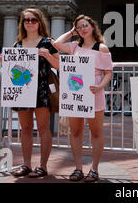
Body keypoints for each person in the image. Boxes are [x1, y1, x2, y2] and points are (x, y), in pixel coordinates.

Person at [52, 14, 112, 182]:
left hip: (94, 95)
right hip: (75, 95)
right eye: (79, 27)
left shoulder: (101, 48)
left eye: (85, 25)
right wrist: (71, 32)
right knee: (76, 132)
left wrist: (100, 87)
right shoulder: (74, 47)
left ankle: (94, 169)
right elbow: (56, 44)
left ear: (92, 26)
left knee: (96, 132)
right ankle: (78, 168)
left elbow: (108, 72)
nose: (82, 29)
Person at [9, 8, 59, 178]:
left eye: (33, 20)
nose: (30, 22)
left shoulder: (47, 43)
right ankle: (26, 164)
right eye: (26, 20)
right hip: (23, 90)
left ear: (39, 22)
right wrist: (5, 61)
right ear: (22, 24)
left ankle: (43, 166)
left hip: (42, 90)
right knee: (26, 129)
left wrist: (47, 55)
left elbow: (61, 65)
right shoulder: (17, 44)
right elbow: (13, 70)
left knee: (43, 128)